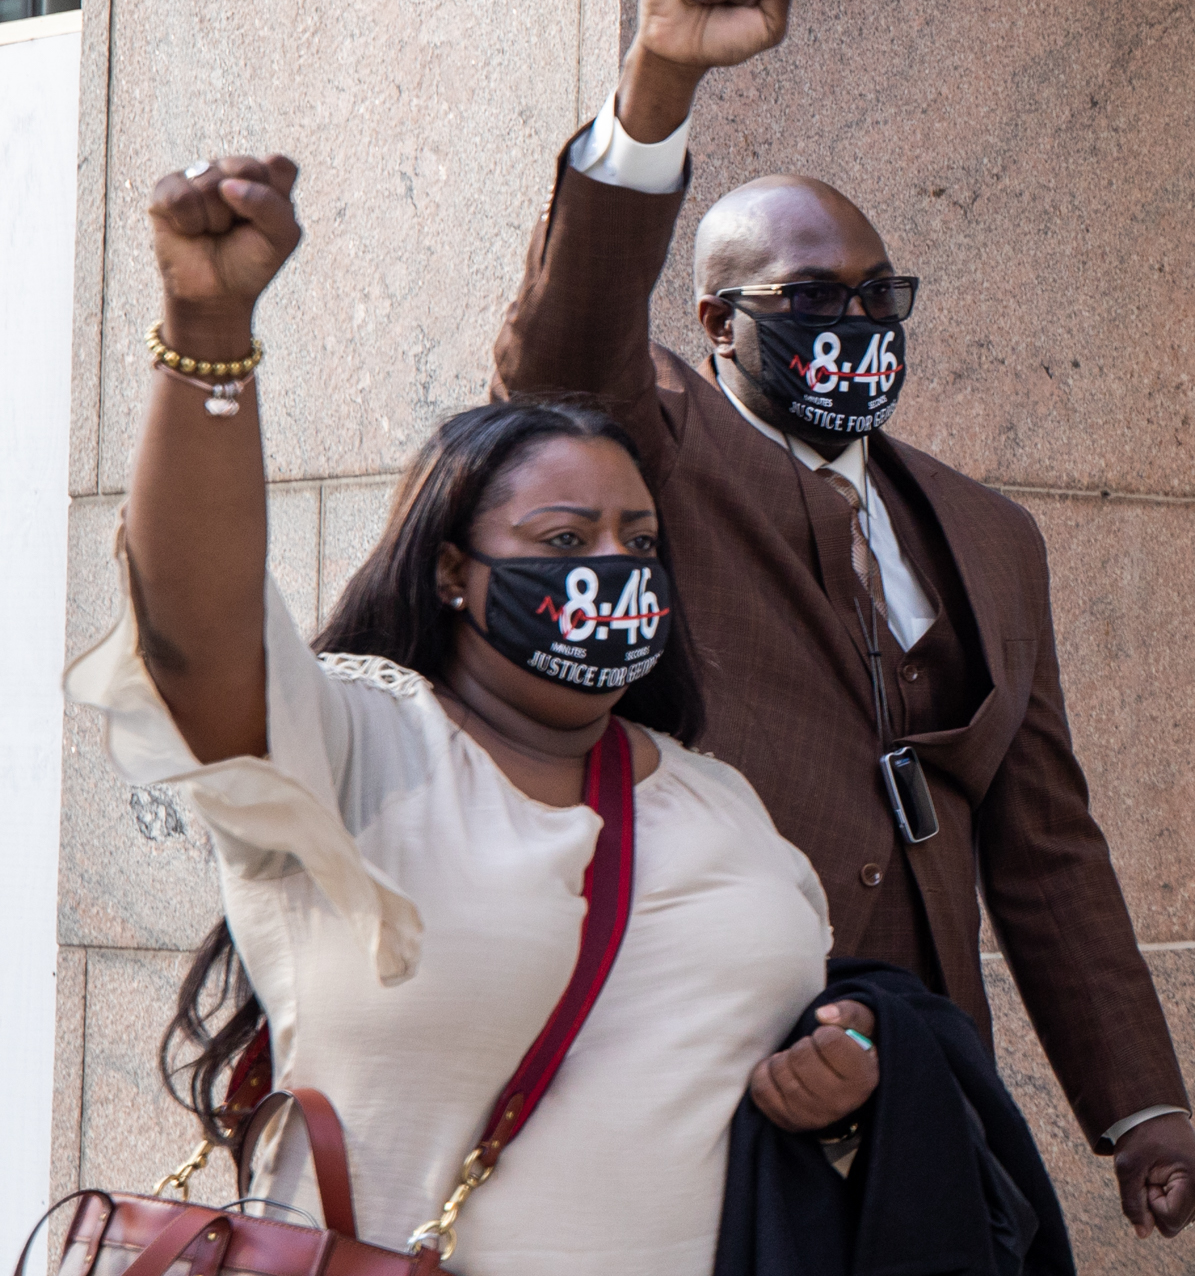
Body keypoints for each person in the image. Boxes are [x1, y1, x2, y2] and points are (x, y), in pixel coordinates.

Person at [488, 0, 1195, 1238]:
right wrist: (656, 90)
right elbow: (561, 350)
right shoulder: (651, 452)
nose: (859, 326)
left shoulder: (990, 534)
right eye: (816, 299)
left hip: (922, 1080)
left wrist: (1139, 1105)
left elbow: (1047, 842)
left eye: (883, 297)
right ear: (718, 324)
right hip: (698, 1058)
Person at [66, 154, 884, 1274]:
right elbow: (194, 622)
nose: (613, 567)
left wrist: (840, 1066)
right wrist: (208, 334)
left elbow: (762, 1041)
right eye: (564, 540)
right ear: (452, 570)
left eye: (640, 542)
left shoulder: (719, 798)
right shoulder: (351, 746)